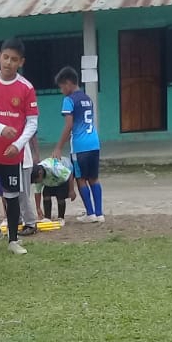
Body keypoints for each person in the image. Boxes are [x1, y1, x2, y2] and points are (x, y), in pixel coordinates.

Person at [0, 37, 39, 255]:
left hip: (12, 154)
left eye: (14, 59)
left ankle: (13, 239)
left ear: (21, 62)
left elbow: (32, 122)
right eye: (6, 57)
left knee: (12, 195)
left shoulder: (26, 87)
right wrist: (1, 129)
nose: (9, 62)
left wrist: (18, 144)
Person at [51, 66, 102, 224]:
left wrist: (58, 147)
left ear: (68, 83)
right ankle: (99, 213)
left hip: (80, 146)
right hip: (94, 143)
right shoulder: (87, 98)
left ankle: (90, 213)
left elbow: (69, 125)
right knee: (94, 178)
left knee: (81, 178)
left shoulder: (69, 100)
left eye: (61, 87)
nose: (62, 91)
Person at [31, 156, 74, 221]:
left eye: (36, 181)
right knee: (46, 194)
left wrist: (71, 190)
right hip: (50, 183)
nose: (36, 183)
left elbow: (70, 174)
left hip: (61, 181)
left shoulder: (53, 168)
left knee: (60, 196)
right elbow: (37, 192)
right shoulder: (37, 175)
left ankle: (61, 218)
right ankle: (47, 218)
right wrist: (38, 208)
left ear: (40, 173)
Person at [18, 138, 41, 237]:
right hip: (11, 161)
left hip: (23, 162)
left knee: (23, 194)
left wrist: (36, 154)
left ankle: (30, 223)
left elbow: (32, 134)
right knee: (13, 193)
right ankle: (18, 219)